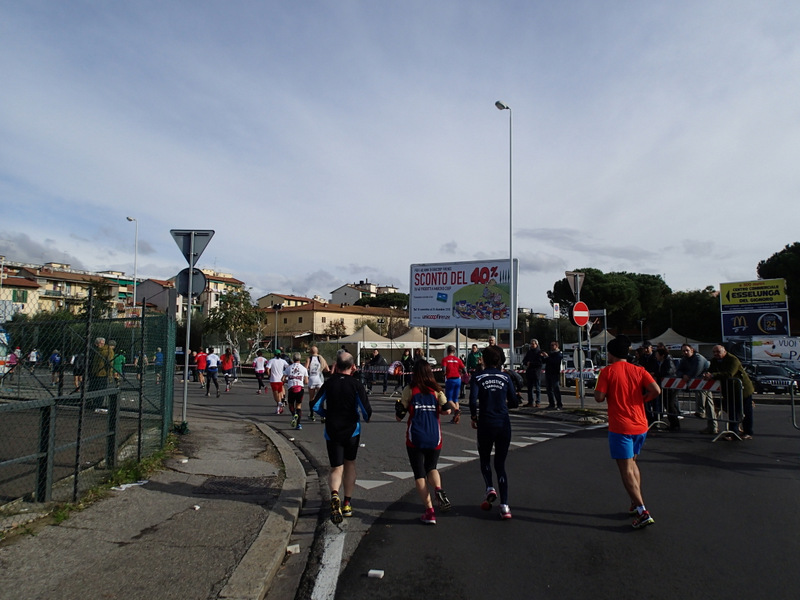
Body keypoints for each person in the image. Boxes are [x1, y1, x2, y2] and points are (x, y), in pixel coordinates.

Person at [594, 335, 661, 529]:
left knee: (625, 471)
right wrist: (642, 399)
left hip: (620, 427)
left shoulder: (607, 372)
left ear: (611, 353)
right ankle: (635, 501)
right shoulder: (639, 370)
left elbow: (599, 397)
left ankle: (642, 510)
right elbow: (656, 390)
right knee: (633, 464)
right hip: (641, 425)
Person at [312, 352, 372, 523]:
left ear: (336, 366)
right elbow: (366, 411)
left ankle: (334, 495)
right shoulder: (356, 384)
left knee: (336, 468)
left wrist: (326, 413)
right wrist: (366, 418)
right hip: (352, 430)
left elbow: (315, 405)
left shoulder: (329, 384)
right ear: (353, 367)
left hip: (332, 429)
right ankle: (347, 504)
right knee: (350, 464)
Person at [395, 359, 457, 524]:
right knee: (432, 467)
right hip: (434, 436)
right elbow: (447, 410)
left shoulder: (410, 390)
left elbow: (399, 416)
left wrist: (401, 408)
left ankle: (429, 511)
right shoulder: (436, 390)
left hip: (416, 436)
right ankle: (438, 489)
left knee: (419, 474)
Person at [469, 344, 518, 520]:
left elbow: (472, 400)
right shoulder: (505, 377)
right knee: (501, 465)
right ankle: (505, 506)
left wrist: (474, 417)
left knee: (484, 458)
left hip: (486, 422)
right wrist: (504, 404)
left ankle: (490, 487)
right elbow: (514, 401)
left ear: (485, 360)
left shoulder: (478, 377)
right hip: (503, 422)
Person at [703, 345, 754, 439]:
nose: (715, 354)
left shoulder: (733, 359)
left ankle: (748, 432)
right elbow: (711, 370)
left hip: (742, 389)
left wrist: (713, 375)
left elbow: (729, 373)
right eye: (714, 352)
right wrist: (707, 374)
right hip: (729, 390)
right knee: (732, 412)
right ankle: (733, 432)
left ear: (724, 351)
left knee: (746, 412)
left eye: (718, 352)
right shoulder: (714, 360)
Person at [677, 344, 715, 433]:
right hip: (699, 383)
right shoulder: (684, 359)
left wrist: (688, 376)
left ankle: (701, 411)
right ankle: (712, 426)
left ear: (692, 350)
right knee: (709, 405)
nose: (685, 352)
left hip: (705, 382)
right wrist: (683, 375)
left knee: (708, 402)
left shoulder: (699, 358)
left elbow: (696, 370)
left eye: (687, 350)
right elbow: (678, 370)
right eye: (683, 351)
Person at [654, 347, 680, 431]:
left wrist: (657, 374)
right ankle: (673, 423)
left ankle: (675, 424)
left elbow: (669, 372)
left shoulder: (668, 361)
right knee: (668, 405)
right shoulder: (663, 362)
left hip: (670, 386)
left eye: (657, 354)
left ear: (662, 355)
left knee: (670, 405)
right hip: (666, 386)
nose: (656, 356)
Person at [284, 352, 309, 430]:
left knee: (291, 404)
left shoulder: (289, 368)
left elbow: (283, 379)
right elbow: (306, 381)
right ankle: (299, 424)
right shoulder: (304, 368)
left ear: (293, 359)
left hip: (291, 388)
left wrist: (288, 380)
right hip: (300, 389)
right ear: (300, 358)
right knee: (298, 406)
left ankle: (294, 414)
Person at [88, 337, 114, 411]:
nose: (100, 345)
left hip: (102, 374)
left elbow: (110, 363)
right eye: (99, 343)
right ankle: (92, 404)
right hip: (94, 373)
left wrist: (109, 374)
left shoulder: (107, 351)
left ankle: (98, 405)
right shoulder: (95, 350)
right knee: (93, 389)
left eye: (102, 343)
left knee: (101, 389)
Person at [441, 345, 466, 424]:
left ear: (447, 351)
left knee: (449, 399)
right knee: (455, 399)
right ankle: (456, 417)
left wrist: (444, 373)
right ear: (454, 352)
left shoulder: (445, 359)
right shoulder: (458, 359)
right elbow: (464, 369)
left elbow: (444, 369)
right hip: (458, 379)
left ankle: (456, 410)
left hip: (450, 379)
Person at [306, 346, 329, 421]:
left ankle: (312, 414)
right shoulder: (321, 358)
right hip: (319, 379)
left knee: (311, 398)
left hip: (312, 378)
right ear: (317, 351)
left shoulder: (309, 358)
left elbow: (305, 368)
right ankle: (323, 416)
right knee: (320, 397)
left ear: (310, 352)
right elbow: (327, 369)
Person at [522, 338, 545, 407]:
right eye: (531, 344)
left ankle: (538, 402)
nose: (532, 345)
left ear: (536, 344)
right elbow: (524, 361)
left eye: (533, 344)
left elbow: (540, 363)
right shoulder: (529, 352)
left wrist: (530, 363)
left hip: (536, 372)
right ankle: (530, 402)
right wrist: (526, 363)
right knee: (529, 388)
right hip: (529, 372)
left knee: (537, 388)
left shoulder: (539, 352)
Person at [544, 341, 563, 409]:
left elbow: (555, 362)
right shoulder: (550, 353)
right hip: (548, 373)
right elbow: (546, 361)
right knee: (549, 389)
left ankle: (559, 404)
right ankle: (551, 404)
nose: (551, 347)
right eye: (551, 345)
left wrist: (547, 357)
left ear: (556, 346)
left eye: (553, 345)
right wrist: (543, 357)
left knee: (556, 389)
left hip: (555, 373)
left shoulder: (559, 354)